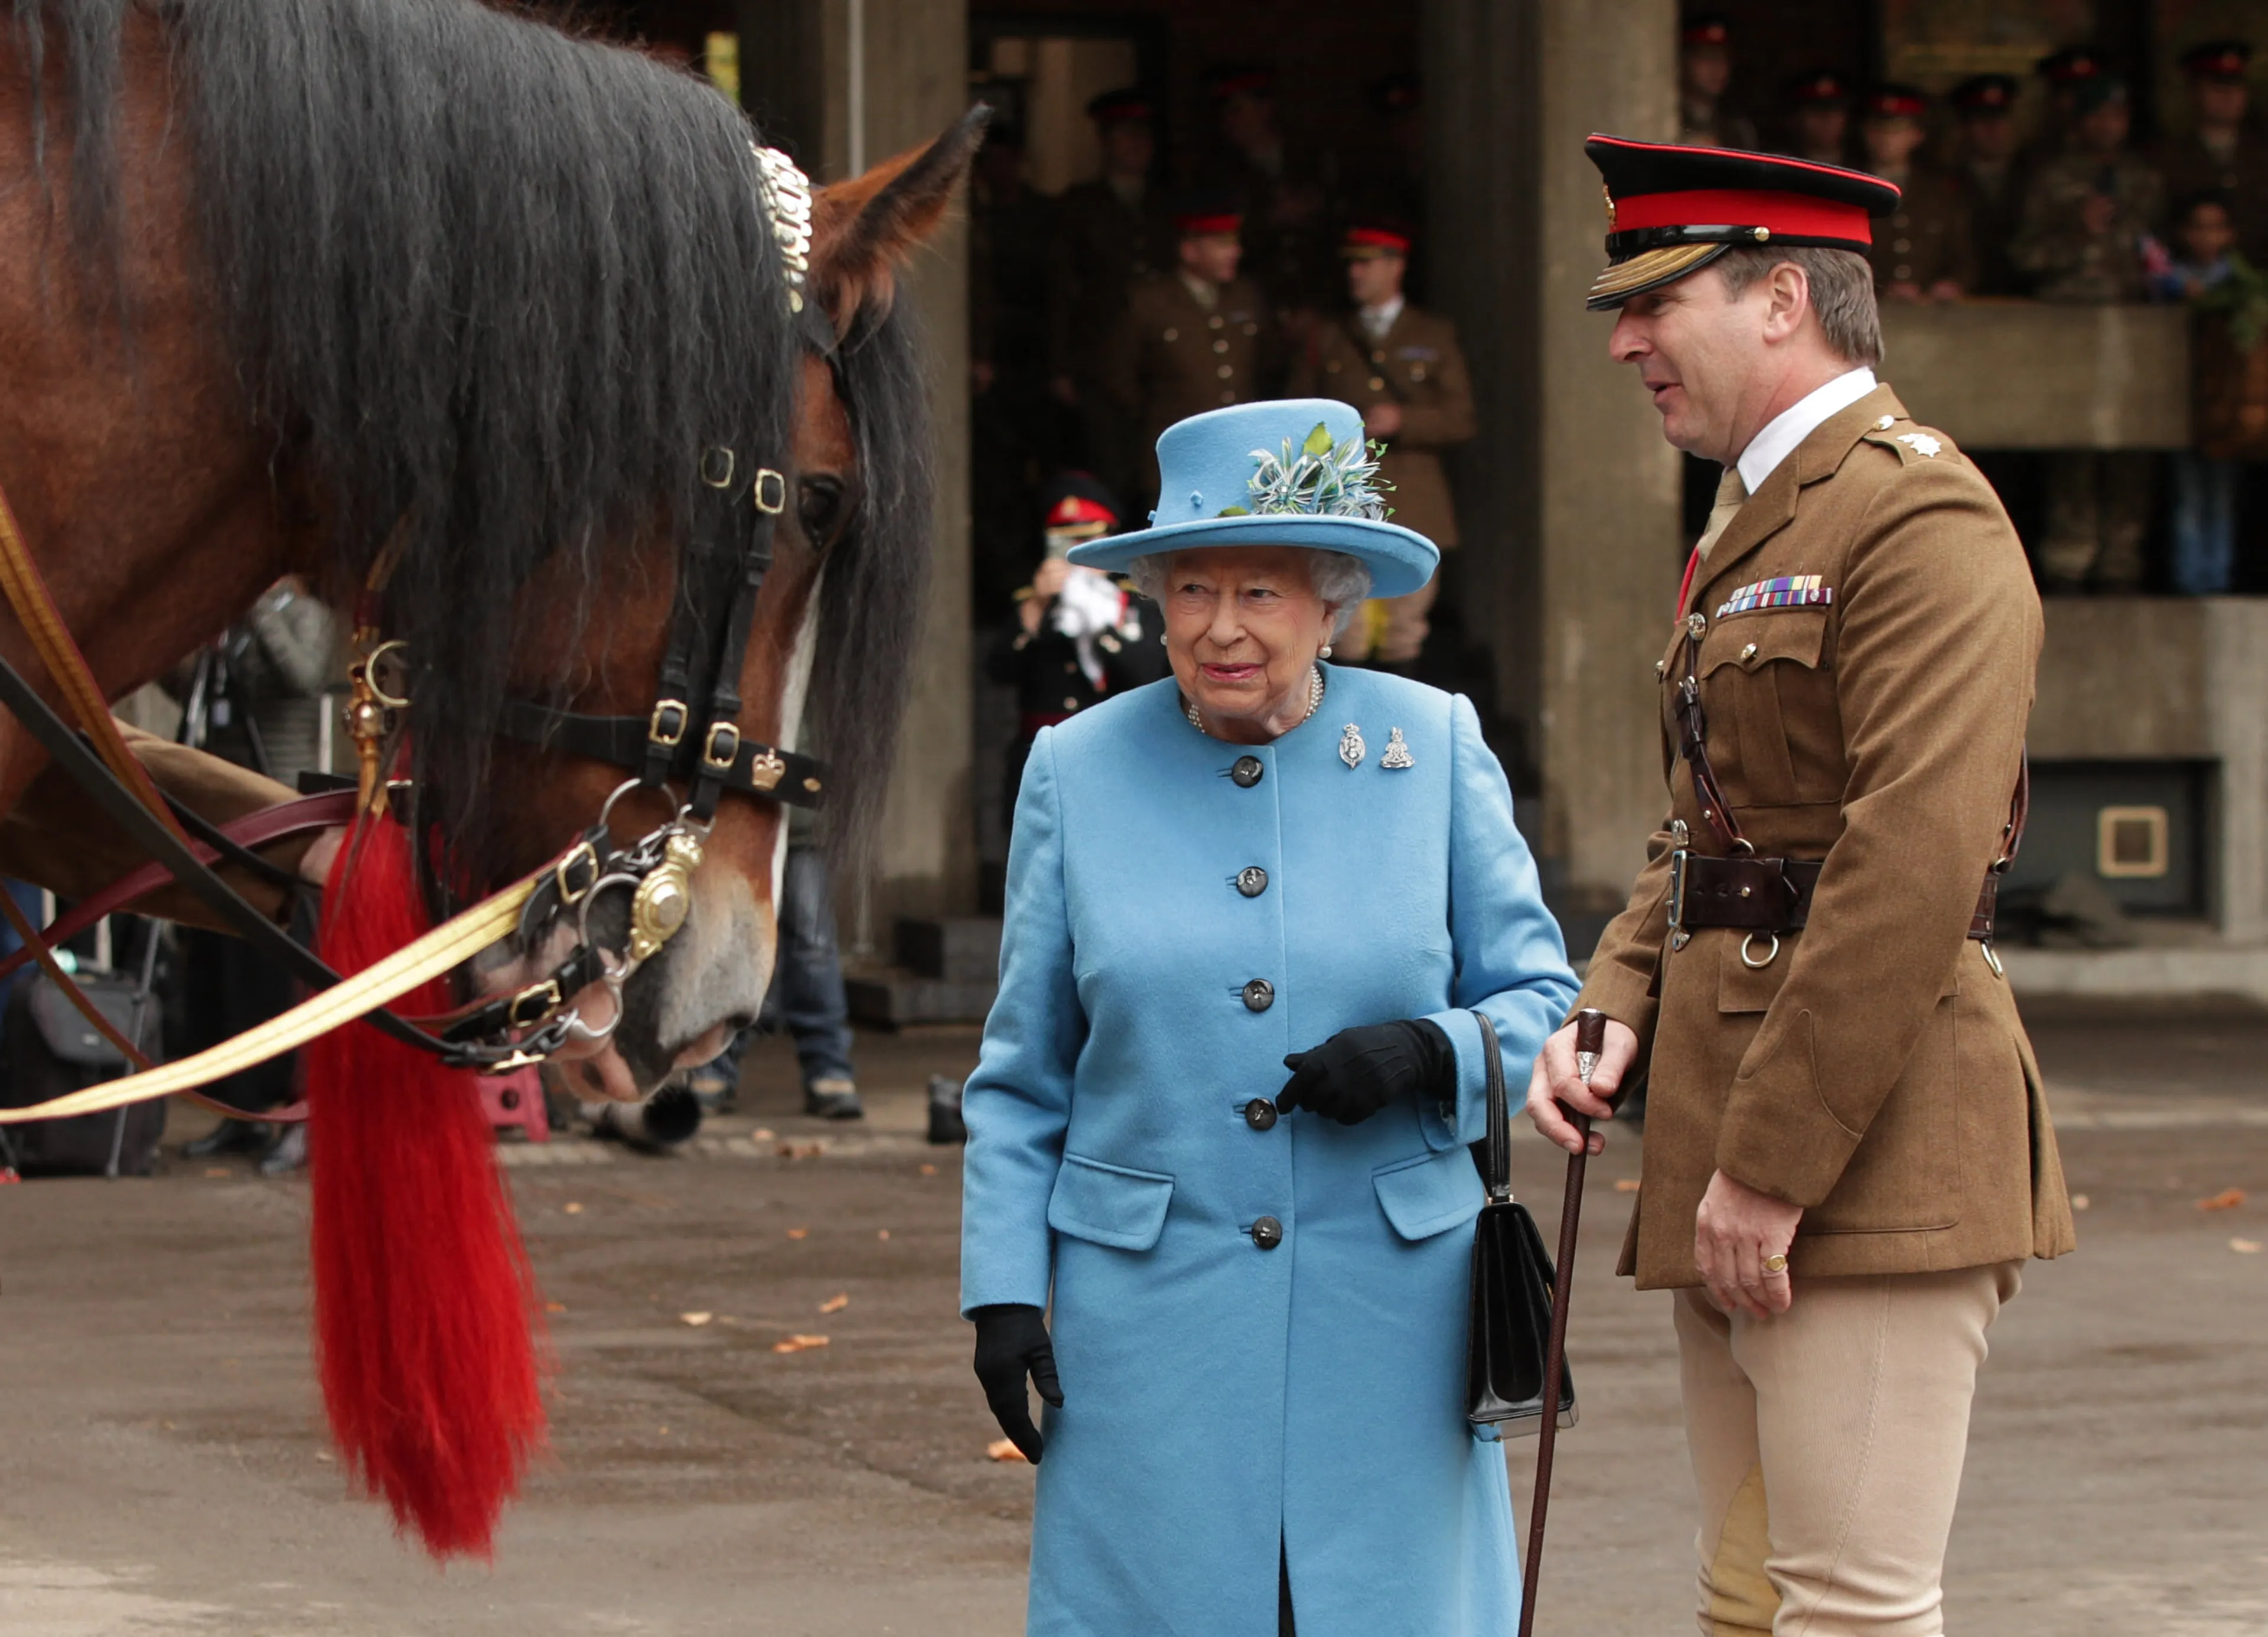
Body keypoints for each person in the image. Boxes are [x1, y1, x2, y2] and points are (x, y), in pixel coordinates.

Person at [1543, 135, 2075, 1637]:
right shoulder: (1754, 514)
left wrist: (1768, 1163)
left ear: (1782, 296)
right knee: (1746, 1598)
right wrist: (1616, 996)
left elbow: (1909, 859)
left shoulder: (1914, 514)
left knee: (1846, 1609)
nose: (1628, 341)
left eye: (1657, 303)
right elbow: (1709, 821)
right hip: (1740, 1123)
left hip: (1866, 1143)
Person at [960, 396, 1577, 1636]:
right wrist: (1004, 1289)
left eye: (1261, 592)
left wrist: (1431, 1049)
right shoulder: (1075, 769)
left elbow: (1545, 1002)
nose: (1221, 628)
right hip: (1145, 1315)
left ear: (1331, 600)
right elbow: (1024, 1069)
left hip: (1394, 1309)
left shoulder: (1433, 744)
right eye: (1192, 590)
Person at [175, 579, 337, 1174]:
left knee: (274, 963)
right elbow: (184, 688)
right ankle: (236, 1108)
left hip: (279, 798)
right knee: (221, 963)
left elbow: (304, 674)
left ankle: (286, 1106)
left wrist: (258, 606)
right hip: (219, 805)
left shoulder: (305, 610)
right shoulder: (232, 617)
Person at [1286, 219, 1475, 668]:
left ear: (1396, 267)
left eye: (1367, 263)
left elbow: (1461, 418)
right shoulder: (1328, 337)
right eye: (1352, 265)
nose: (1355, 274)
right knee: (1342, 633)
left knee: (1404, 633)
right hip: (1343, 500)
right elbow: (1298, 412)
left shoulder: (1432, 334)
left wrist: (1404, 420)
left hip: (1413, 501)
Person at [2010, 74, 2166, 591]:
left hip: (2135, 328)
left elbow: (2163, 257)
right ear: (2079, 122)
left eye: (2118, 115)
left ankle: (2123, 559)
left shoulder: (2145, 179)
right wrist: (2078, 229)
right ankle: (2069, 560)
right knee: (2072, 447)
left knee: (2131, 447)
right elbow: (2023, 256)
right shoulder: (2052, 179)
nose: (2109, 126)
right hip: (2070, 327)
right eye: (2099, 115)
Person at [984, 473, 1169, 832]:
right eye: (1064, 543)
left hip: (1119, 754)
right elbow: (999, 670)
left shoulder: (1137, 602)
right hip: (1040, 758)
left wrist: (1099, 622)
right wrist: (1037, 606)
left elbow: (1148, 672)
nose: (1076, 554)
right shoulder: (1034, 601)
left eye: (1087, 540)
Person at [1046, 88, 1178, 506]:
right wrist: (1060, 366)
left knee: (1163, 472)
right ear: (1105, 142)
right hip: (1099, 363)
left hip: (1163, 363)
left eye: (1144, 135)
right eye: (1125, 135)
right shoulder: (1079, 206)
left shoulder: (1166, 203)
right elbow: (1060, 289)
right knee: (1111, 470)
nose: (1137, 145)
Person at [1098, 193, 1273, 506]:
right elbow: (1120, 380)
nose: (1235, 252)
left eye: (1234, 243)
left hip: (1243, 458)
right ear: (1190, 250)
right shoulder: (1149, 303)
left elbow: (1266, 365)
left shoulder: (1246, 296)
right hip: (1177, 462)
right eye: (1222, 244)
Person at [2153, 191, 2244, 595]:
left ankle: (2217, 581)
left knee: (2221, 496)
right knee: (2189, 496)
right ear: (2184, 233)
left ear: (2230, 234)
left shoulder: (2243, 285)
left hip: (2227, 405)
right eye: (2199, 227)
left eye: (2216, 227)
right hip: (2179, 402)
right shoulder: (2168, 281)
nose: (2207, 236)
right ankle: (2189, 581)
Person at [1205, 63, 1334, 333]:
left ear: (1265, 110)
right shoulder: (1220, 174)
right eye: (1226, 113)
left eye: (1238, 110)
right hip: (1258, 309)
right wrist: (1268, 220)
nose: (1231, 121)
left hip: (1320, 305)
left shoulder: (1310, 161)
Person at [2155, 40, 2268, 264]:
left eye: (2236, 86)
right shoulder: (2167, 158)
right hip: (2192, 282)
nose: (2228, 95)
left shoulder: (2262, 155)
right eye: (2217, 86)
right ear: (2194, 92)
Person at [1859, 84, 1974, 301]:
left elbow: (1963, 255)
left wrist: (1952, 283)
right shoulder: (1850, 188)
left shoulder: (1940, 190)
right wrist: (1880, 289)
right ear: (1866, 132)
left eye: (1898, 130)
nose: (1887, 139)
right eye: (1879, 129)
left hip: (1933, 311)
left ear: (1917, 135)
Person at [1950, 73, 2026, 294]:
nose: (1993, 129)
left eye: (2001, 118)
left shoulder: (2033, 176)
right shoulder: (1948, 183)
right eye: (1983, 120)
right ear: (1965, 128)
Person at [1679, 15, 1758, 151]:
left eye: (1723, 58)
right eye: (1706, 57)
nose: (1717, 67)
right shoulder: (1668, 121)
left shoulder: (1738, 131)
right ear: (1684, 61)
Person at [1781, 70, 1853, 167]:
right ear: (1798, 117)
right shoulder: (1781, 165)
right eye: (1816, 111)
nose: (1826, 118)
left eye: (1833, 110)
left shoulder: (1866, 172)